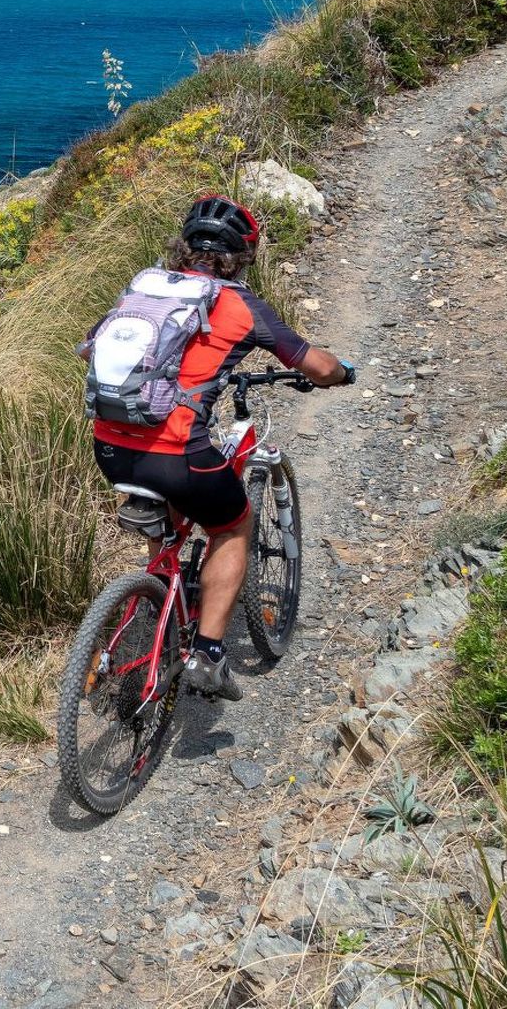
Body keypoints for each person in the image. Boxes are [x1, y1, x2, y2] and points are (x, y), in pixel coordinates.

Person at [84, 195, 354, 701]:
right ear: (242, 256)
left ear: (184, 247)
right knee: (231, 526)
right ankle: (208, 653)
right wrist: (342, 374)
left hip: (110, 445)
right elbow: (316, 366)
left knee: (171, 509)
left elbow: (103, 353)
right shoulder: (239, 304)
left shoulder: (145, 289)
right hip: (178, 455)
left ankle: (161, 600)